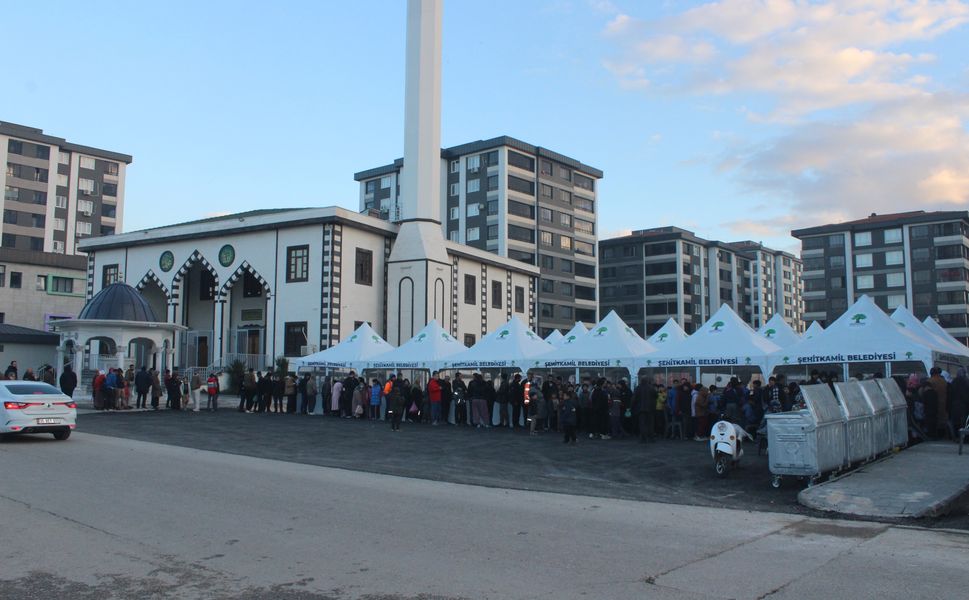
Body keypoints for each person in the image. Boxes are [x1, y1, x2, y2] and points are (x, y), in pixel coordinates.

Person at [634, 376, 657, 443]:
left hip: (641, 409)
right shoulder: (651, 387)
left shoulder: (638, 388)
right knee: (650, 424)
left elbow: (634, 398)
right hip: (650, 409)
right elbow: (656, 396)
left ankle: (643, 438)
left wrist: (632, 406)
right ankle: (651, 438)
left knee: (642, 424)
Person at [928, 367, 949, 438]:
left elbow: (923, 393)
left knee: (934, 423)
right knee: (942, 422)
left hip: (933, 406)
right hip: (944, 404)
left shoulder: (930, 381)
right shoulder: (944, 381)